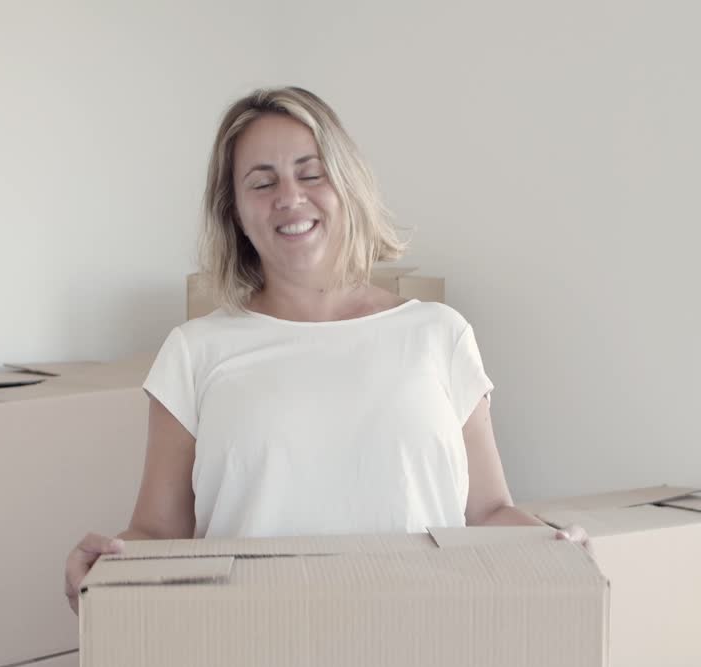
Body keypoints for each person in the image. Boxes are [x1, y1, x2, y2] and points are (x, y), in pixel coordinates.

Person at [65, 86, 587, 613]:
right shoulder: (194, 351)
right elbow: (158, 533)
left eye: (311, 174)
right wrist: (106, 567)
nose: (289, 197)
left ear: (347, 185)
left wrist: (554, 543)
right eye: (262, 182)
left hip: (423, 636)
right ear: (235, 213)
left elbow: (489, 512)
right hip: (249, 642)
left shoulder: (440, 335)